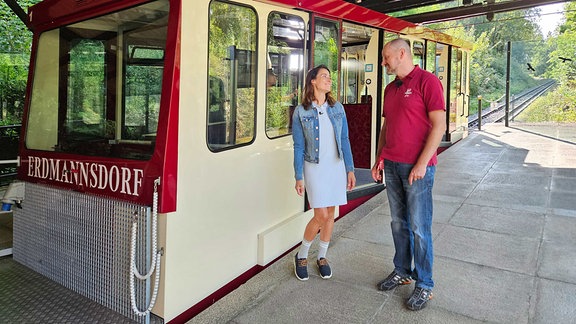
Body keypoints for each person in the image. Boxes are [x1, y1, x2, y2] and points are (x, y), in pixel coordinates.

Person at [371, 39, 446, 310]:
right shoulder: (390, 89)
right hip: (391, 165)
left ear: (402, 54)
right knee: (398, 223)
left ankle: (424, 284)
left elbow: (439, 126)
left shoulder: (428, 82)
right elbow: (386, 126)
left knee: (419, 228)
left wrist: (422, 163)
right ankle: (402, 270)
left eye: (386, 57)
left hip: (417, 170)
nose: (383, 62)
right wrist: (380, 157)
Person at [292, 64, 356, 281]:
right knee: (320, 215)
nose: (329, 80)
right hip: (314, 167)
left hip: (336, 167)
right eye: (324, 76)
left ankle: (322, 257)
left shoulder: (337, 108)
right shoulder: (302, 111)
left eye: (330, 77)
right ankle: (301, 255)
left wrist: (350, 169)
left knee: (331, 214)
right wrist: (298, 176)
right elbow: (298, 146)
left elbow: (345, 140)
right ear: (313, 81)